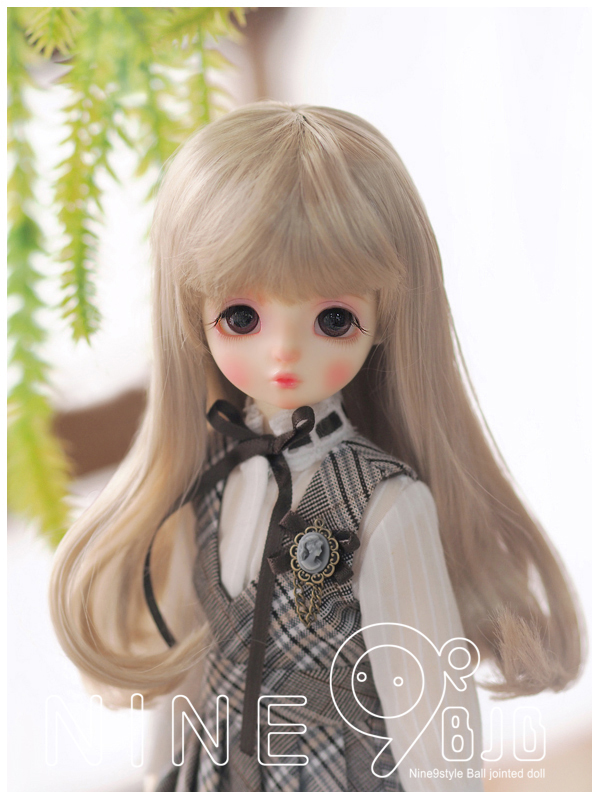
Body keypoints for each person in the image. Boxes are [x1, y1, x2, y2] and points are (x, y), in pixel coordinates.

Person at [49, 102, 582, 792]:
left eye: (333, 319)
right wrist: (161, 778)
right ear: (191, 311)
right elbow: (191, 666)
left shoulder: (384, 504)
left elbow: (430, 714)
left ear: (385, 318)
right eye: (242, 316)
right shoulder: (204, 480)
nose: (284, 352)